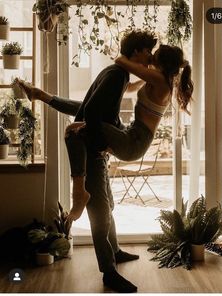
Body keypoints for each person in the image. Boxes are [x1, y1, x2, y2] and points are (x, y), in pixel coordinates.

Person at [16, 29, 157, 293]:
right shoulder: (116, 75)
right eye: (148, 51)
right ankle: (108, 271)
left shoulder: (114, 74)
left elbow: (83, 108)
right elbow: (90, 112)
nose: (150, 58)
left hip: (93, 149)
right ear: (137, 51)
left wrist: (46, 97)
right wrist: (102, 143)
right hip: (92, 152)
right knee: (100, 211)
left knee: (108, 205)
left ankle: (114, 250)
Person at [63, 44, 193, 221]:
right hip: (132, 135)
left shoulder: (160, 79)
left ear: (161, 61)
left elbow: (120, 60)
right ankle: (87, 194)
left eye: (154, 54)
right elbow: (130, 88)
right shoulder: (158, 79)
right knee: (79, 130)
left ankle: (79, 193)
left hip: (136, 141)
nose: (151, 55)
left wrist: (136, 55)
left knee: (73, 130)